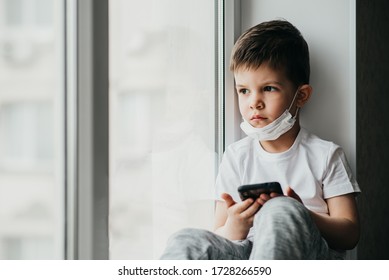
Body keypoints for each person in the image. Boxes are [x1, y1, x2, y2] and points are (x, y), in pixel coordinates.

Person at [160, 19, 360, 260]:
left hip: (305, 254)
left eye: (269, 88)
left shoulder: (326, 155)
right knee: (187, 241)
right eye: (244, 90)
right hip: (249, 253)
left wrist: (301, 213)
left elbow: (350, 233)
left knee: (280, 210)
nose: (254, 101)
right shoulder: (236, 156)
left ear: (301, 95)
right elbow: (221, 232)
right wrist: (237, 223)